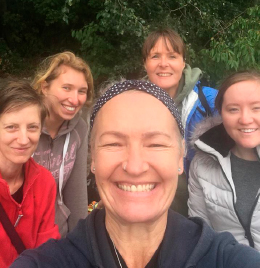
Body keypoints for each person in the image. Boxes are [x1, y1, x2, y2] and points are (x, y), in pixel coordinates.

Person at [11, 80, 260, 268]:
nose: (135, 166)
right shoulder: (47, 262)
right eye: (113, 144)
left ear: (181, 158)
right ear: (93, 159)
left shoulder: (227, 259)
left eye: (156, 144)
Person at [142, 28, 217, 215]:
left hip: (211, 207)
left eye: (172, 56)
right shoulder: (135, 105)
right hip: (156, 208)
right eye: (155, 56)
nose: (163, 64)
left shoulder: (210, 101)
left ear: (184, 63)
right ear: (145, 64)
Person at [188, 70, 260, 250]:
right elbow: (199, 232)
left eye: (257, 108)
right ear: (221, 113)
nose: (245, 119)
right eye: (233, 109)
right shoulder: (202, 163)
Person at [32, 51, 94, 237]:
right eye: (66, 88)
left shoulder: (79, 129)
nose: (75, 100)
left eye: (81, 91)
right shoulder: (22, 126)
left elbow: (76, 192)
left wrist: (79, 243)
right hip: (19, 235)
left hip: (58, 233)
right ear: (44, 87)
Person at [0, 79, 60, 268]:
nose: (24, 139)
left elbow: (47, 251)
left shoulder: (44, 182)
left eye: (32, 127)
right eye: (12, 127)